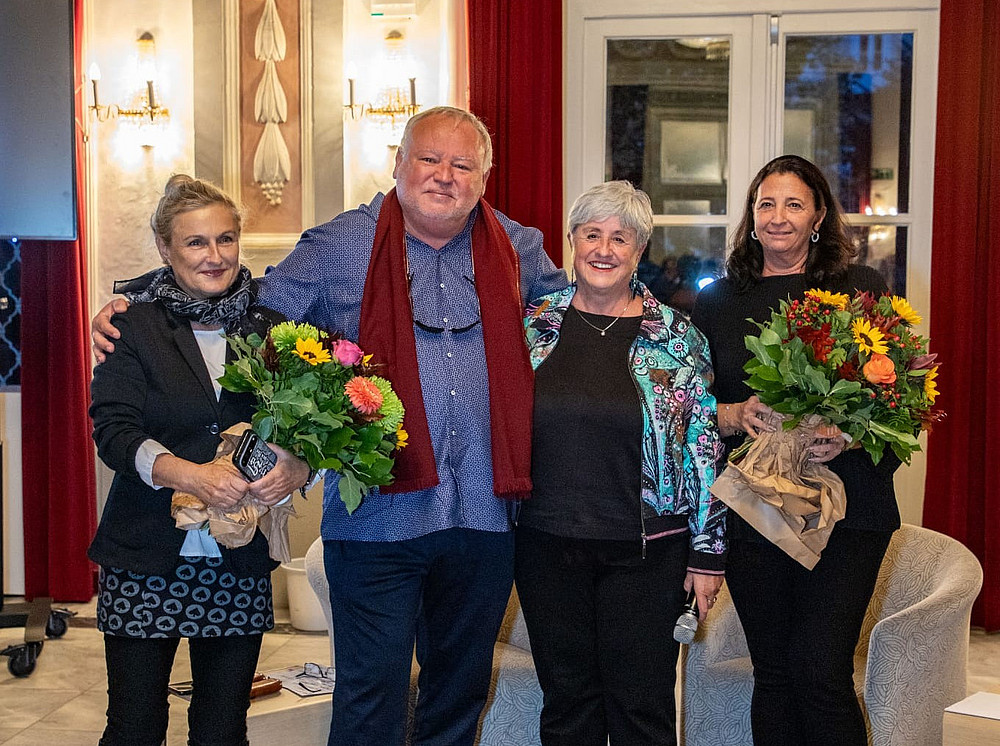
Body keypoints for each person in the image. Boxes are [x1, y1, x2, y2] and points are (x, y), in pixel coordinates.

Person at [92, 107, 567, 746]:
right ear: (399, 163)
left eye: (463, 165)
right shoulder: (342, 243)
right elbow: (250, 314)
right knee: (371, 700)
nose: (443, 177)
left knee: (458, 696)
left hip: (484, 516)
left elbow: (584, 315)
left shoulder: (519, 249)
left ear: (485, 175)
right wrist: (138, 302)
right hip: (375, 519)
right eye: (429, 160)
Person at [88, 175, 311, 745]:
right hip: (144, 555)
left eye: (226, 239)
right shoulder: (130, 324)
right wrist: (192, 477)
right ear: (165, 248)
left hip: (237, 559)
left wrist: (296, 467)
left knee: (221, 726)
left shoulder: (273, 327)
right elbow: (113, 432)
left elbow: (302, 427)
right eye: (196, 243)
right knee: (135, 724)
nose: (215, 256)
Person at [691, 155, 901, 746]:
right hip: (757, 509)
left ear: (818, 216)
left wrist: (850, 432)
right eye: (766, 204)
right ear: (751, 219)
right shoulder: (719, 301)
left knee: (821, 668)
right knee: (776, 674)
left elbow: (899, 395)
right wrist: (734, 415)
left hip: (850, 508)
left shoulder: (861, 290)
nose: (778, 217)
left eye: (792, 204)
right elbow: (689, 407)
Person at [520, 180, 725, 745]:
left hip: (647, 553)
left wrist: (708, 555)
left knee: (642, 709)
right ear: (572, 242)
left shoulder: (677, 339)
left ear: (639, 253)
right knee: (566, 706)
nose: (604, 249)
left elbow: (704, 448)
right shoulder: (532, 326)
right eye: (592, 235)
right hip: (545, 545)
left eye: (621, 238)